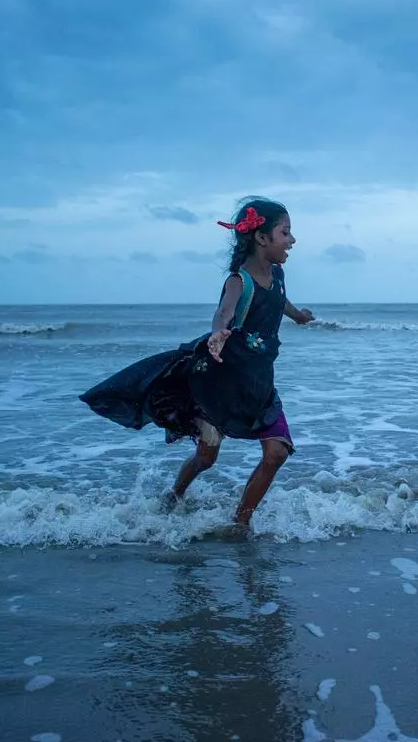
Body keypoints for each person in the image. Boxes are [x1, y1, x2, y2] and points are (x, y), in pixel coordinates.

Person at [79, 197, 314, 534]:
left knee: (276, 453)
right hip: (219, 387)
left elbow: (280, 299)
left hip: (259, 385)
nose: (292, 240)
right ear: (261, 238)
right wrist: (220, 331)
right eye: (285, 232)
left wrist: (299, 316)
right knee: (206, 458)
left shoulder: (277, 273)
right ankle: (174, 496)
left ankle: (240, 524)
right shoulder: (239, 280)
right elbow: (225, 311)